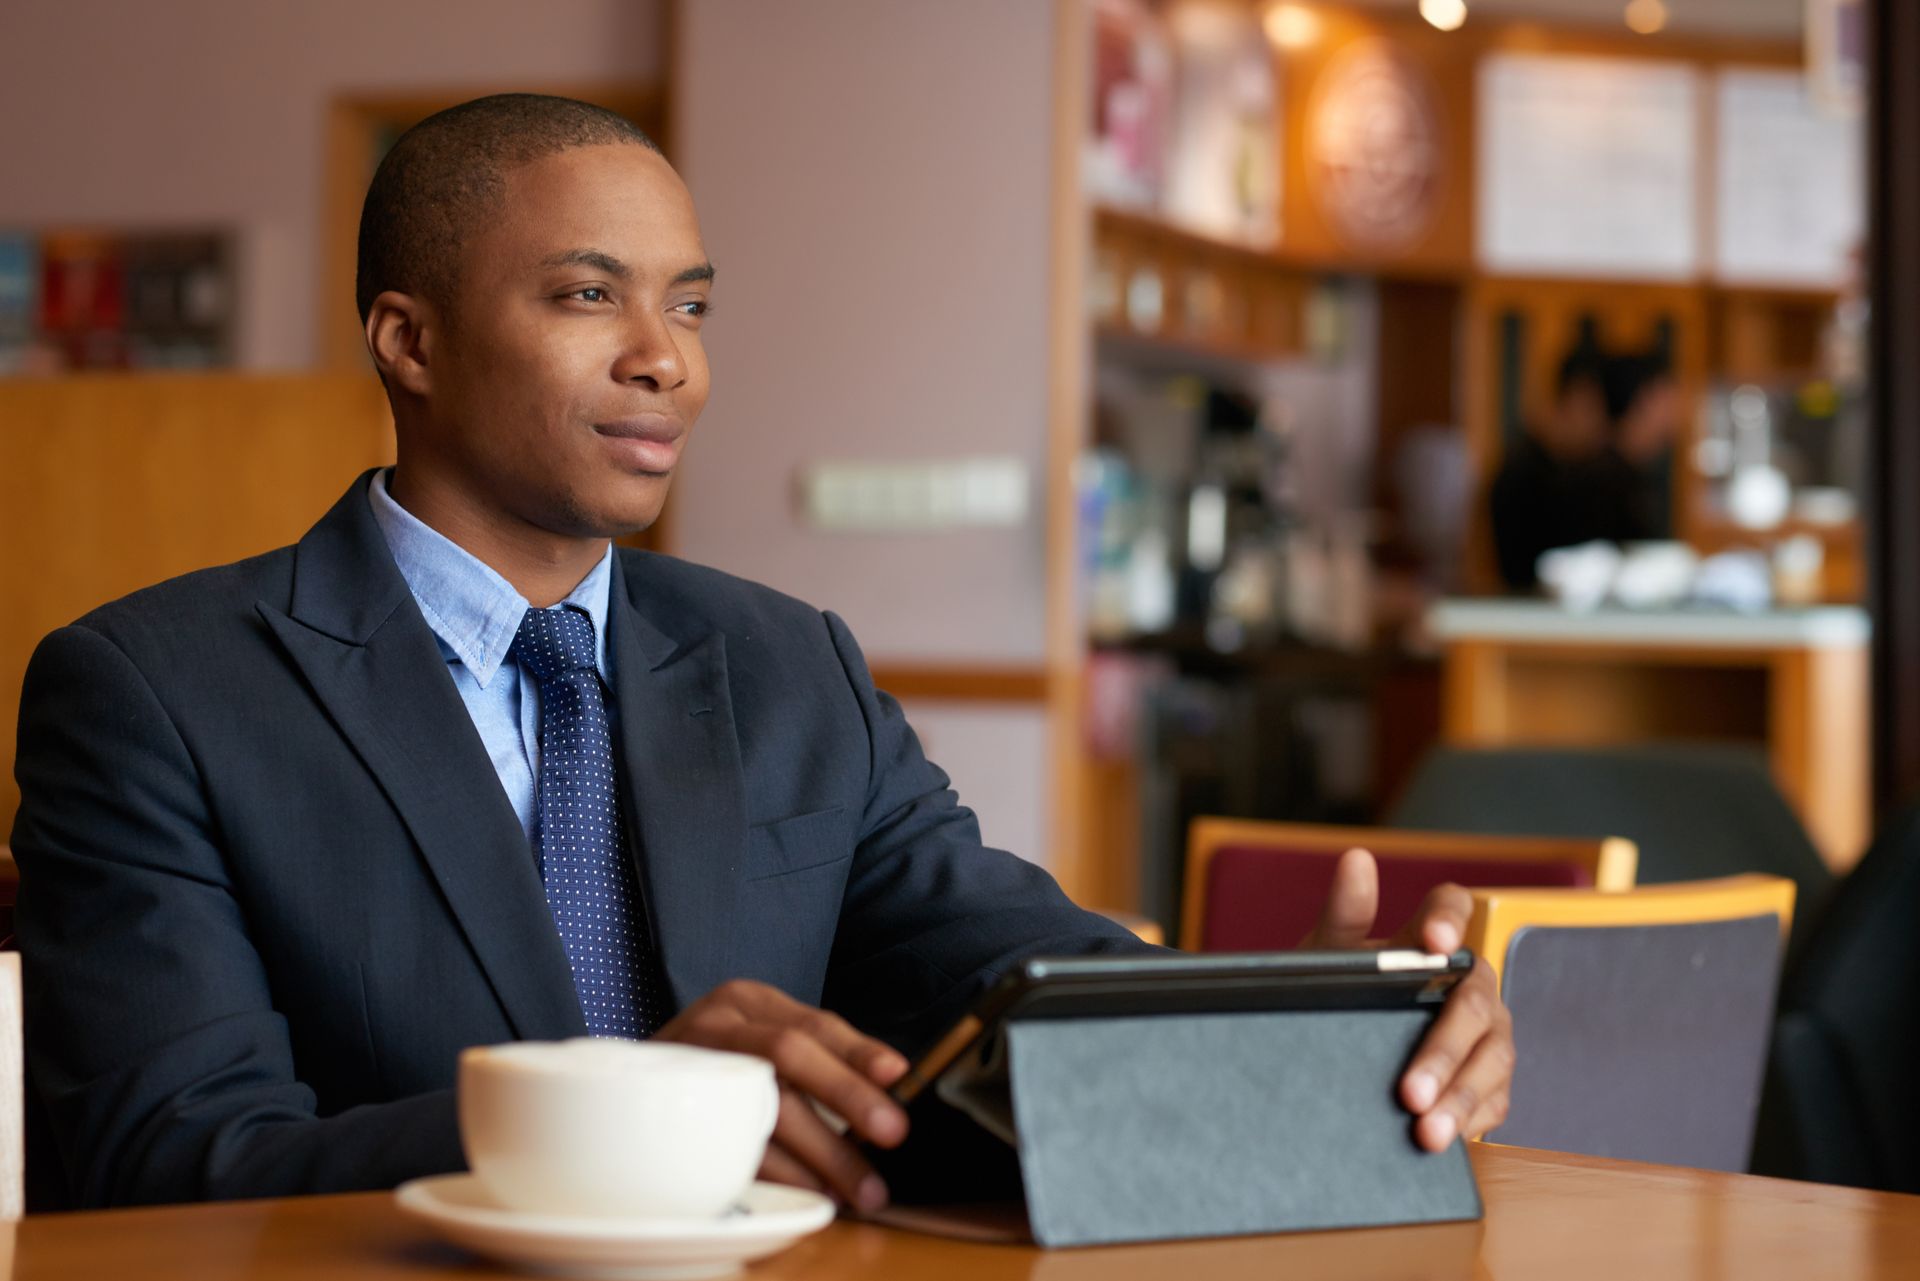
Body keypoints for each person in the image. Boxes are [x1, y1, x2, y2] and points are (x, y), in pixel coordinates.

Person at [10, 95, 1512, 1212]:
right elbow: (175, 1160)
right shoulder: (152, 694)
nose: (669, 357)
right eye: (589, 294)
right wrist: (617, 1110)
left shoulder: (789, 664)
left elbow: (1012, 978)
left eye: (693, 304)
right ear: (407, 340)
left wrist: (1296, 1021)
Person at [1490, 345, 1676, 591]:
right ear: (1580, 396)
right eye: (1598, 408)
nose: (1604, 425)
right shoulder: (1529, 471)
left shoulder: (1588, 472)